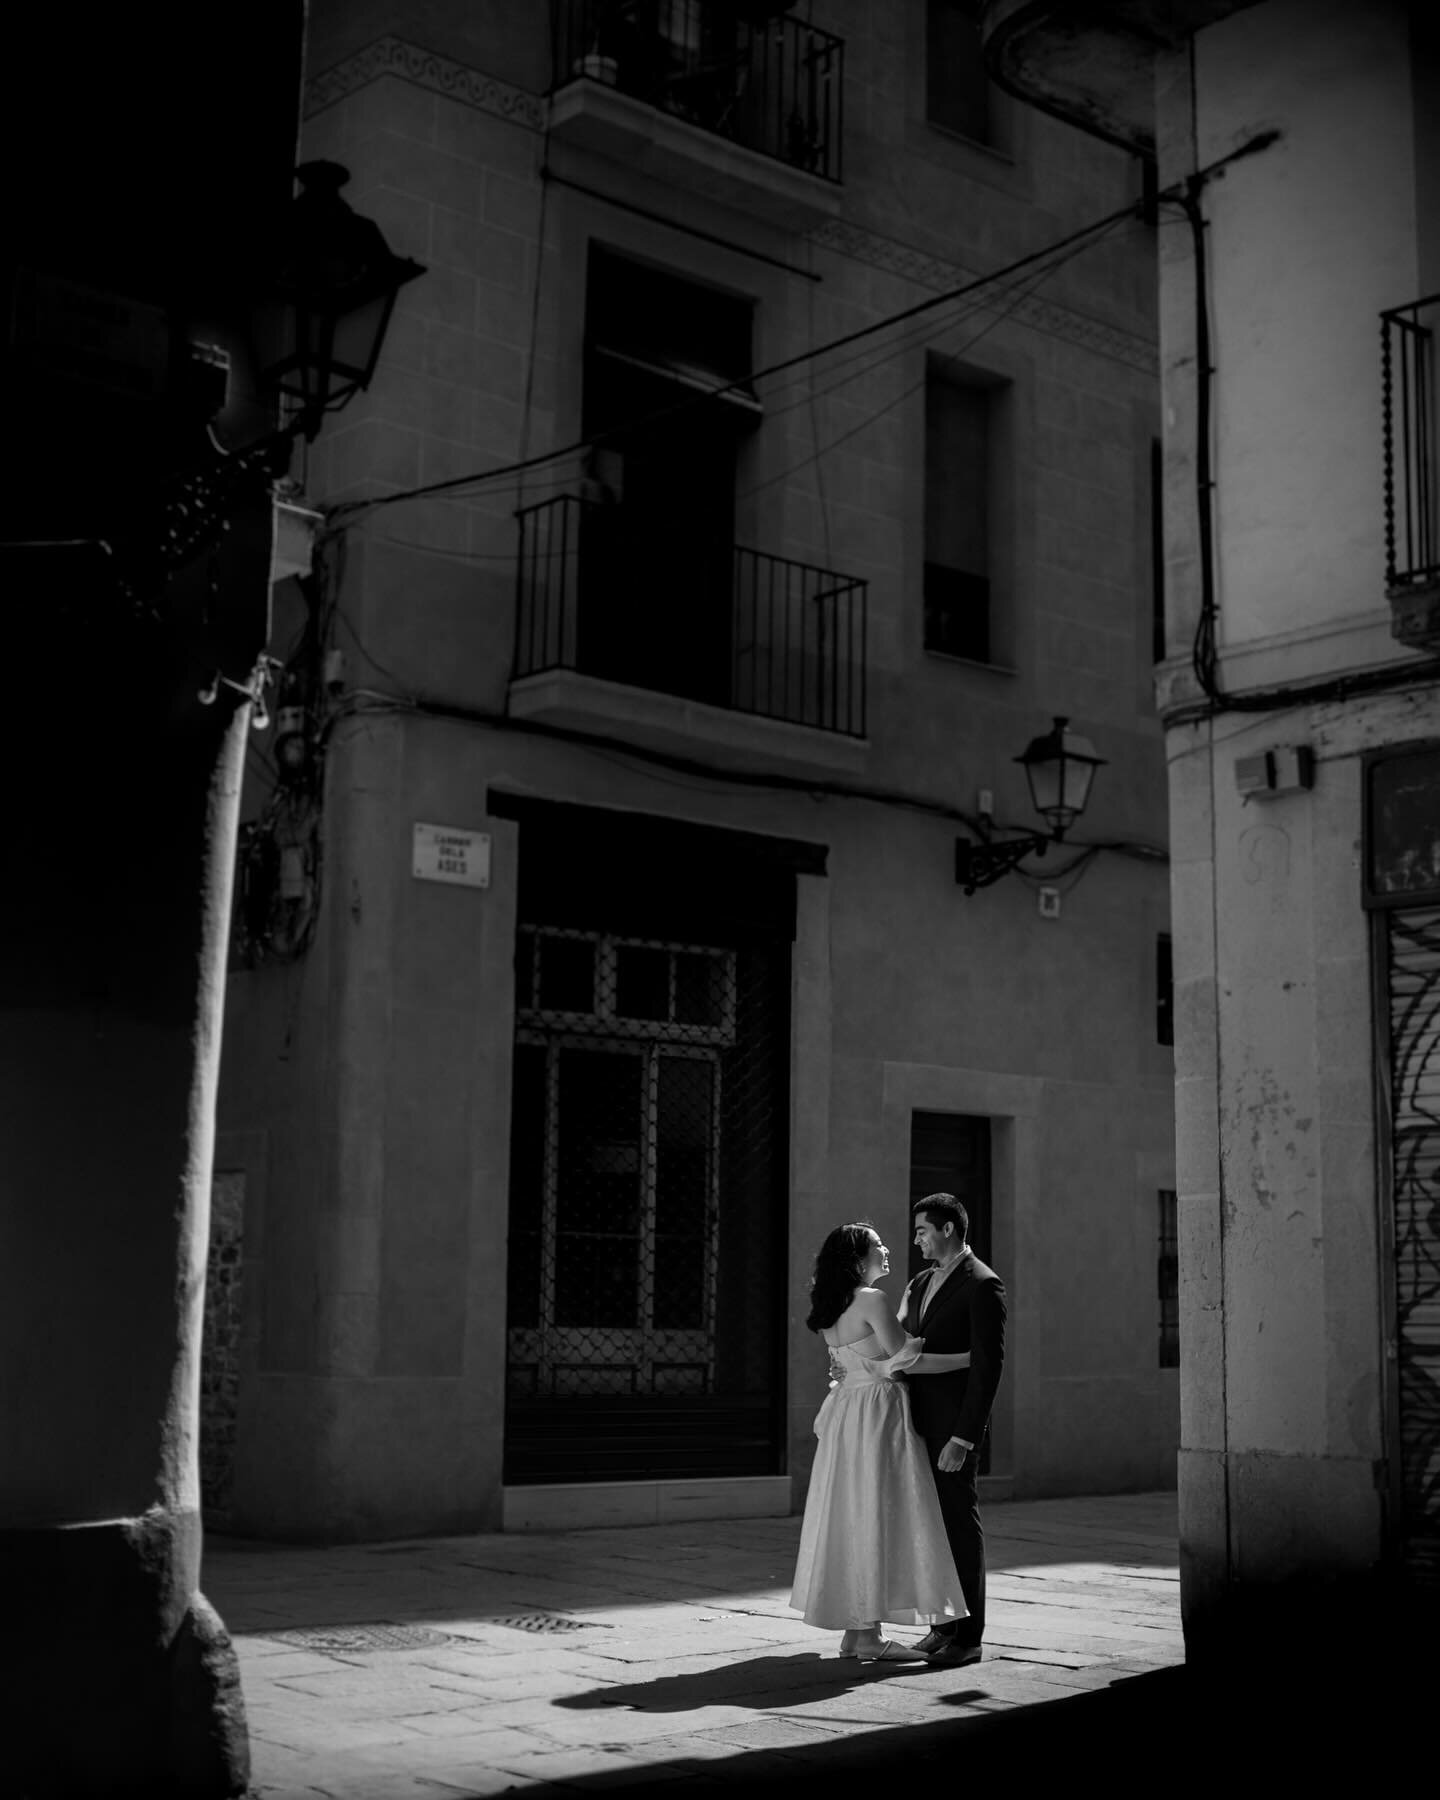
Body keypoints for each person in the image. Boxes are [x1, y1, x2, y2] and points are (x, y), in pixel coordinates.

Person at [790, 1222, 973, 1662]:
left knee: (853, 1512)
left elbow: (855, 1363)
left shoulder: (832, 1305)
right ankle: (867, 1634)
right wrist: (972, 1358)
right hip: (877, 1414)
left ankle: (857, 1631)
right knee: (876, 1512)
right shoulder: (872, 1299)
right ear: (857, 1259)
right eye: (876, 1246)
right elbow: (907, 1361)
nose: (886, 1248)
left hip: (848, 1413)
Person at [900, 1194, 1007, 1668]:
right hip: (916, 1426)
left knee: (960, 1528)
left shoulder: (983, 1284)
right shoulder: (921, 1281)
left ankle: (969, 1637)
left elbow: (988, 1367)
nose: (917, 1238)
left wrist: (964, 1438)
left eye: (923, 1229)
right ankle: (941, 1627)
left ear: (946, 1229)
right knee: (930, 1529)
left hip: (952, 1432)